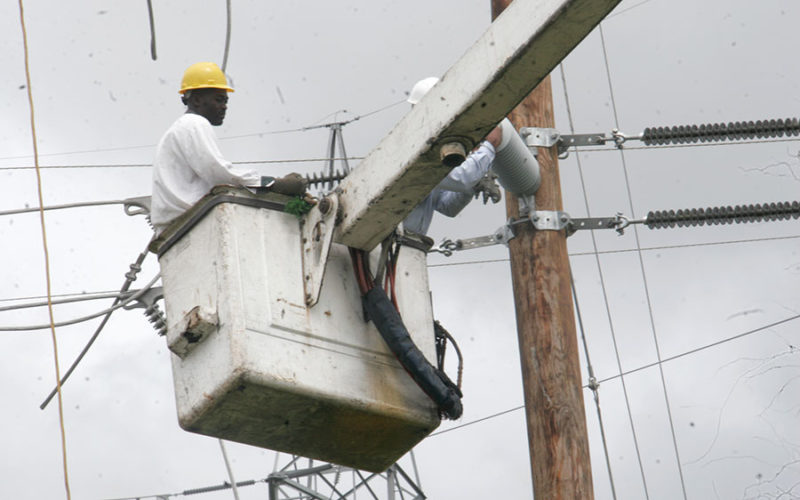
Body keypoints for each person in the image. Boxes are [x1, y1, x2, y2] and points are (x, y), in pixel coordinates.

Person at [151, 62, 304, 234]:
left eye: (225, 101)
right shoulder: (194, 124)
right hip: (188, 224)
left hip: (176, 227)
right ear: (197, 100)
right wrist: (273, 184)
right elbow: (218, 173)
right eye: (218, 100)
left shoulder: (178, 129)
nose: (224, 106)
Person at [403, 77, 502, 235]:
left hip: (410, 244)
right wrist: (489, 146)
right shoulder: (414, 150)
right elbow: (462, 178)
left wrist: (472, 186)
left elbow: (447, 206)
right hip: (390, 243)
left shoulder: (435, 150)